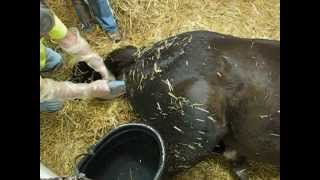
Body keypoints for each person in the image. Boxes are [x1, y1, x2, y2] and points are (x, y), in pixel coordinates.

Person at [40, 0, 125, 113]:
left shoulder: (43, 15)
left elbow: (69, 39)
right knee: (55, 104)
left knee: (57, 61)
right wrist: (88, 90)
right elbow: (44, 90)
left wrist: (98, 64)